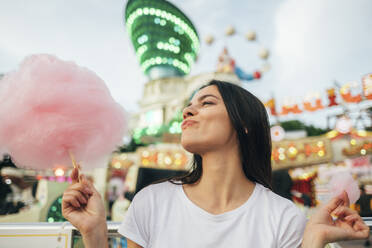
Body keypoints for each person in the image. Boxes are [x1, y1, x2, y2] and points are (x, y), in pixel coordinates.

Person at [62, 80, 369, 248]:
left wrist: (314, 237)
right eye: (189, 105)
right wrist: (94, 232)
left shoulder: (281, 216)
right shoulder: (152, 202)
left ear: (244, 125)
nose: (188, 111)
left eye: (206, 103)